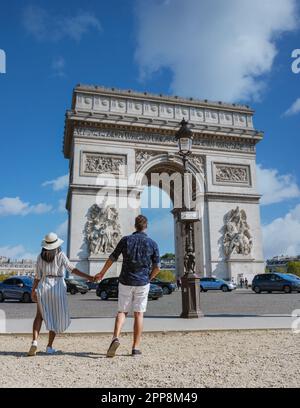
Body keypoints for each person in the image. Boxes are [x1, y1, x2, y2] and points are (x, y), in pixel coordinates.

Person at [95, 215, 160, 358]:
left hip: (125, 280)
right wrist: (149, 278)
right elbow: (157, 267)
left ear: (135, 226)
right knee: (139, 314)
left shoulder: (126, 240)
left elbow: (113, 257)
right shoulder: (153, 243)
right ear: (146, 226)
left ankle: (115, 338)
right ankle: (135, 348)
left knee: (122, 312)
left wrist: (102, 273)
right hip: (142, 282)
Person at [27, 232, 94, 356]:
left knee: (39, 316)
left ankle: (34, 342)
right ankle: (49, 346)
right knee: (55, 317)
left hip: (44, 285)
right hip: (57, 286)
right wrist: (89, 277)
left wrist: (33, 290)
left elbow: (37, 276)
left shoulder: (40, 257)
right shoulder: (61, 255)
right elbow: (72, 269)